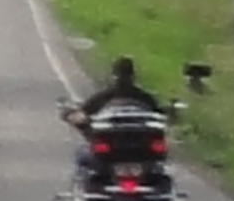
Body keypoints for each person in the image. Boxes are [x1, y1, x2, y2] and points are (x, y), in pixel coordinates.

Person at [63, 54, 169, 188]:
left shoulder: (104, 97)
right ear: (133, 76)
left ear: (113, 75)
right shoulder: (144, 97)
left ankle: (80, 188)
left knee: (81, 154)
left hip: (114, 153)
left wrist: (71, 116)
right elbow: (161, 114)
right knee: (160, 166)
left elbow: (82, 114)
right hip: (141, 151)